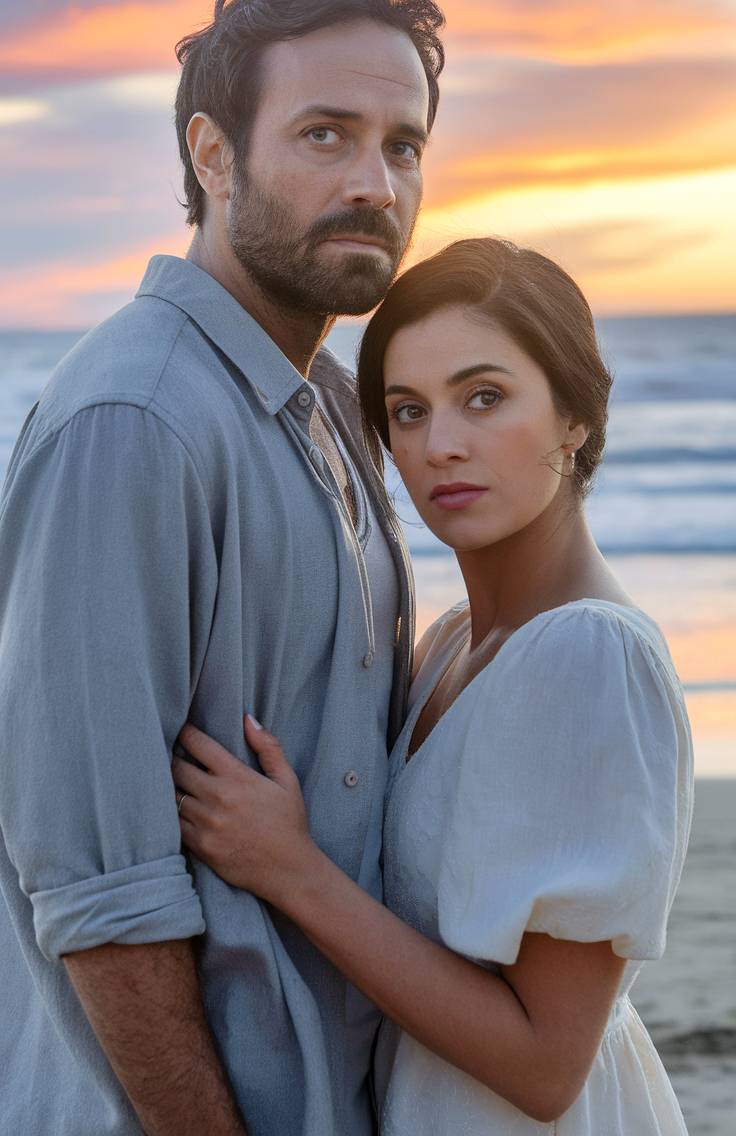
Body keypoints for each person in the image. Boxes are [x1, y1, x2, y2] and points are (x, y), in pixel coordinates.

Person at [0, 0, 444, 1136]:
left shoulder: (337, 410)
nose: (374, 181)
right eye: (323, 135)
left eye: (402, 145)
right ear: (212, 154)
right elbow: (99, 885)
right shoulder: (132, 424)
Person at [172, 238, 694, 1134]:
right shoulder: (457, 642)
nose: (440, 446)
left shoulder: (588, 658)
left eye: (484, 398)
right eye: (407, 412)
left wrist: (292, 871)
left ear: (576, 414)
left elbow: (545, 1067)